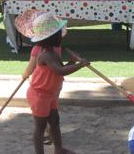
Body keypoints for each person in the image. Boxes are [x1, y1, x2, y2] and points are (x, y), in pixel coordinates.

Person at [24, 13, 89, 154]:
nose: (61, 36)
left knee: (54, 121)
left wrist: (71, 62)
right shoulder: (46, 55)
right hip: (39, 96)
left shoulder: (52, 52)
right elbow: (60, 71)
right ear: (50, 38)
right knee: (40, 128)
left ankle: (58, 149)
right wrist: (80, 65)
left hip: (50, 94)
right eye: (59, 34)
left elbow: (60, 68)